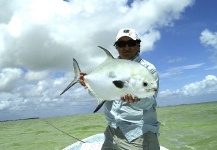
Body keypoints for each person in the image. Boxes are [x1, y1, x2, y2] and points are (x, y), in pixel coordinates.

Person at [80, 28, 160, 150]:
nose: (126, 47)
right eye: (121, 44)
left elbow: (150, 101)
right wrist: (88, 84)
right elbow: (103, 92)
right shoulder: (110, 67)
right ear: (116, 47)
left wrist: (136, 100)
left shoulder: (148, 69)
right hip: (111, 131)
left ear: (138, 45)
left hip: (138, 135)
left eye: (131, 43)